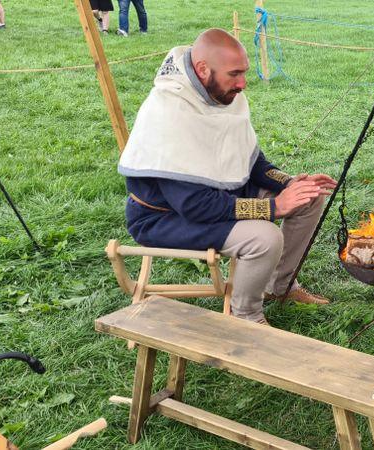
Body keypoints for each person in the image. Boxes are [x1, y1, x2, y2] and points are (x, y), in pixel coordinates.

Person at [117, 29, 337, 325]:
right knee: (265, 238)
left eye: (244, 73)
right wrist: (273, 208)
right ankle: (246, 316)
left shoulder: (219, 91)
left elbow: (250, 159)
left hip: (217, 199)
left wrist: (289, 184)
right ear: (203, 69)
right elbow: (195, 206)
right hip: (167, 217)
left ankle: (279, 285)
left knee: (307, 200)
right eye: (235, 74)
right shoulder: (169, 112)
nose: (243, 83)